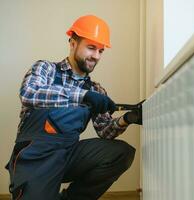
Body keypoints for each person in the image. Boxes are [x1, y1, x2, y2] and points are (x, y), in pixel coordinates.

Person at [5, 15, 142, 200]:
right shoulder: (45, 69)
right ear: (73, 42)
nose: (96, 56)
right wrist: (82, 96)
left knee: (120, 153)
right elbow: (29, 93)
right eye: (91, 47)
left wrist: (127, 119)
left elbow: (105, 131)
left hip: (68, 154)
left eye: (101, 51)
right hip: (35, 157)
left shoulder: (96, 89)